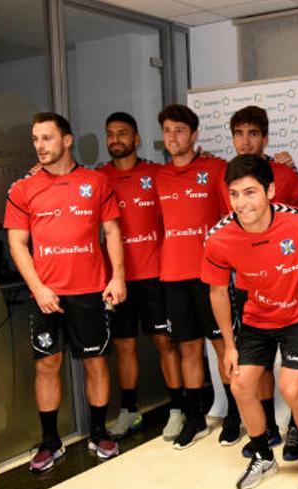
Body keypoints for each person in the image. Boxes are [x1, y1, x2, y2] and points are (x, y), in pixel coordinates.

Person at [6, 112, 124, 472]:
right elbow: (17, 244)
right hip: (46, 294)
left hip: (90, 290)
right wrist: (38, 288)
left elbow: (113, 233)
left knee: (95, 361)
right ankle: (50, 443)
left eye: (47, 138)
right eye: (35, 139)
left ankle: (99, 433)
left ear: (67, 140)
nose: (41, 146)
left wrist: (117, 277)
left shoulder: (96, 182)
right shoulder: (23, 188)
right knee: (48, 364)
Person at [202, 155, 298, 489]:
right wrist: (228, 345)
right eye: (235, 194)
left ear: (270, 190)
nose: (242, 203)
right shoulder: (219, 237)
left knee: (291, 388)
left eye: (250, 192)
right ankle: (262, 455)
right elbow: (217, 293)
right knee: (241, 384)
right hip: (256, 319)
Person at [154, 104, 239, 449]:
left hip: (210, 277)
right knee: (188, 348)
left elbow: (232, 219)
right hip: (172, 275)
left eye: (179, 130)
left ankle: (234, 414)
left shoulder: (216, 169)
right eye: (167, 131)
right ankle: (195, 419)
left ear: (194, 135)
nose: (173, 137)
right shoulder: (158, 176)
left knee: (222, 347)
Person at [96, 112, 184, 441]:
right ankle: (129, 411)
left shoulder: (157, 174)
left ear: (137, 139)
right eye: (110, 134)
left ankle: (177, 409)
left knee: (165, 342)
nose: (115, 139)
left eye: (122, 133)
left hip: (155, 276)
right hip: (116, 279)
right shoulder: (98, 178)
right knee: (124, 346)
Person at [230, 105, 298, 459]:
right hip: (250, 288)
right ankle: (268, 431)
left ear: (265, 137)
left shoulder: (286, 176)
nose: (246, 141)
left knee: (294, 376)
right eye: (239, 134)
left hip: (289, 290)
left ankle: (295, 430)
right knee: (254, 368)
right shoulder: (226, 176)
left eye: (253, 134)